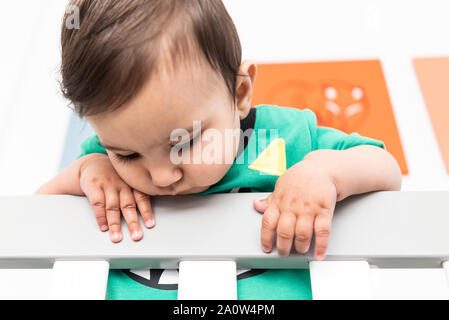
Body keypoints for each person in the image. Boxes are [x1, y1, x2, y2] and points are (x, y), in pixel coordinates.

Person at [35, 0, 402, 299]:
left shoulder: (280, 138)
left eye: (186, 142)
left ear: (240, 95)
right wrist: (85, 170)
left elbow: (385, 168)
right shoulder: (103, 167)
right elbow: (33, 220)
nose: (163, 176)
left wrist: (325, 172)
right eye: (128, 155)